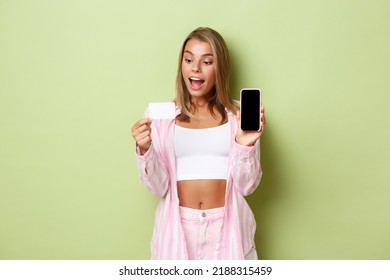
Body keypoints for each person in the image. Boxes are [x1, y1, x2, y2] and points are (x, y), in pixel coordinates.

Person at [131, 27, 265, 260]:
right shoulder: (161, 117)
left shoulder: (238, 116)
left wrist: (245, 146)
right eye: (189, 59)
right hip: (178, 228)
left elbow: (247, 186)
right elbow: (157, 187)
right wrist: (145, 150)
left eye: (207, 61)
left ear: (219, 68)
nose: (195, 68)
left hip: (228, 226)